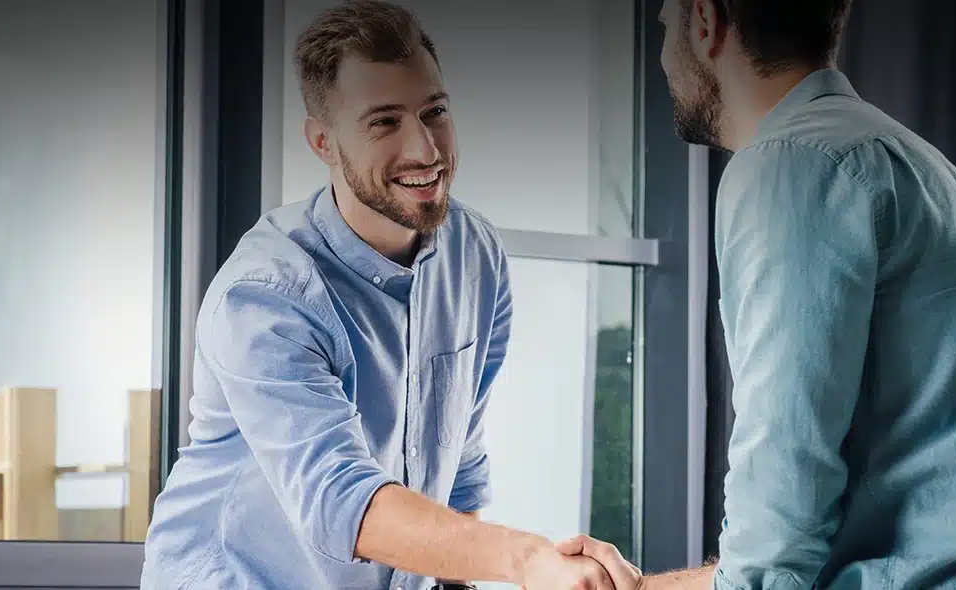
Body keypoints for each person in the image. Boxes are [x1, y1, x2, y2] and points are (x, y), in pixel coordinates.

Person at [561, 1, 956, 589]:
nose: (663, 57)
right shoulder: (911, 164)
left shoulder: (788, 164)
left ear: (707, 22)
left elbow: (781, 504)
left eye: (666, 28)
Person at [140, 2, 616, 589]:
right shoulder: (265, 296)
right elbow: (340, 499)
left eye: (434, 112)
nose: (424, 150)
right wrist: (525, 560)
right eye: (384, 122)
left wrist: (456, 580)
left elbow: (459, 458)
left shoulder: (474, 254)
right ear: (322, 142)